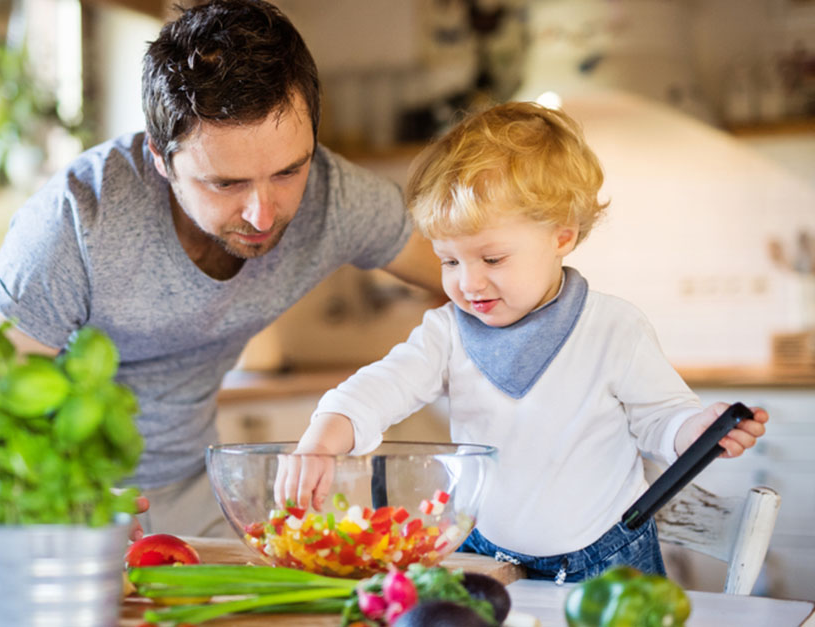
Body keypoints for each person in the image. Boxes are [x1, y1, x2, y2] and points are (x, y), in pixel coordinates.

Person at [0, 0, 444, 539]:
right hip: (64, 509)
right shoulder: (77, 222)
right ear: (161, 159)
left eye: (288, 170)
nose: (263, 213)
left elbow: (477, 279)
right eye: (226, 183)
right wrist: (45, 520)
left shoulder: (336, 198)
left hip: (202, 501)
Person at [275, 101, 768, 583]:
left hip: (603, 561)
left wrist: (699, 430)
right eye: (449, 261)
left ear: (561, 237)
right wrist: (324, 438)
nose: (468, 283)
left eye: (491, 259)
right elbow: (380, 387)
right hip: (485, 555)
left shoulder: (613, 329)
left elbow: (663, 421)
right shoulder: (448, 332)